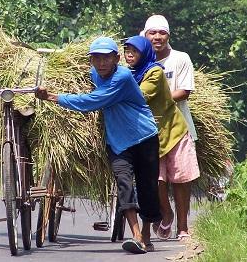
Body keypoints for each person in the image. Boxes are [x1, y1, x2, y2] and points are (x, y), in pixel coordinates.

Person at [35, 36, 162, 253]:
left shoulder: (121, 77)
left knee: (147, 186)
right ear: (91, 61)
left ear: (117, 59)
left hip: (143, 137)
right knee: (124, 183)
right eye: (96, 59)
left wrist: (53, 97)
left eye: (106, 58)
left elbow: (92, 101)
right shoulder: (94, 73)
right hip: (118, 142)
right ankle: (137, 236)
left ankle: (147, 232)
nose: (102, 63)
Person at [124, 35, 199, 242]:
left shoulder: (155, 72)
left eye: (135, 51)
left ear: (145, 52)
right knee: (155, 180)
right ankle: (166, 213)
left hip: (172, 130)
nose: (130, 55)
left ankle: (183, 227)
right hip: (148, 133)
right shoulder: (127, 73)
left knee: (180, 179)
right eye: (127, 51)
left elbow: (139, 96)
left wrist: (108, 95)